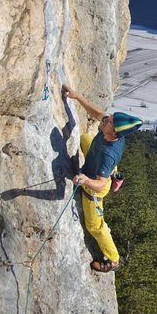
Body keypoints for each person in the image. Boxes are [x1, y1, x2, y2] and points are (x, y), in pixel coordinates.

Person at [62, 84, 142, 273]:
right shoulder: (110, 132)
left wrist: (85, 181)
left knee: (94, 226)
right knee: (85, 139)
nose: (106, 120)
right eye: (110, 118)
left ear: (114, 132)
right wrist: (76, 96)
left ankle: (113, 260)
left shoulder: (108, 155)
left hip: (96, 185)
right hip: (95, 159)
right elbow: (98, 113)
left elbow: (100, 184)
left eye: (110, 121)